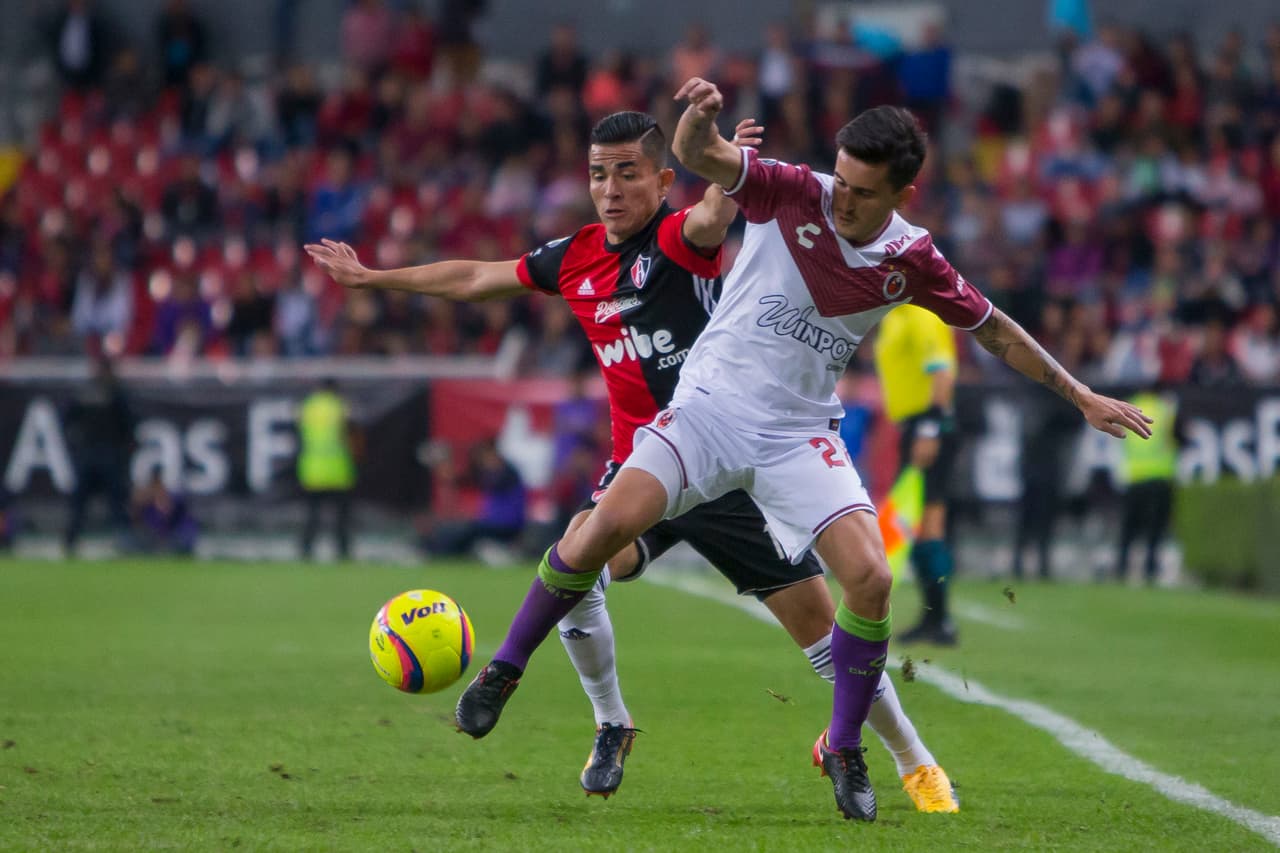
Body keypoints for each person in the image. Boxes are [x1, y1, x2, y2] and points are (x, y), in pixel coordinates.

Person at [448, 81, 1152, 823]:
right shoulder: (791, 190)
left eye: (862, 192)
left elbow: (996, 330)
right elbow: (698, 155)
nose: (841, 199)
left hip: (797, 434)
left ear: (902, 194)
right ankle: (505, 669)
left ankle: (843, 745)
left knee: (872, 579)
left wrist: (1080, 394)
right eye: (840, 179)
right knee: (598, 531)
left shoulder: (913, 258)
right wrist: (701, 120)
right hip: (709, 411)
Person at [305, 111, 959, 813]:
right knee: (578, 556)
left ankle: (912, 760)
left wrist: (729, 171)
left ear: (663, 180)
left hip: (732, 460)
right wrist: (374, 277)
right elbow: (474, 275)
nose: (611, 189)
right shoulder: (575, 256)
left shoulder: (682, 240)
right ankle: (611, 721)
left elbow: (712, 214)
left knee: (829, 643)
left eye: (627, 173)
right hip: (645, 467)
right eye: (598, 174)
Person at [873, 304, 961, 646]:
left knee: (926, 525)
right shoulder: (895, 315)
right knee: (918, 525)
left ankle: (940, 619)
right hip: (914, 427)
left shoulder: (921, 315)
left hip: (929, 426)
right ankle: (934, 618)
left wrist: (929, 429)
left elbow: (941, 371)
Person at [63, 356, 135, 554]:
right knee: (116, 501)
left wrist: (76, 443)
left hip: (88, 454)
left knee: (80, 502)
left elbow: (66, 420)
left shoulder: (85, 391)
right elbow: (129, 424)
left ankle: (71, 540)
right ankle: (123, 539)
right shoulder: (116, 393)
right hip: (108, 455)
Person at [1114, 384, 1180, 584]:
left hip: (1135, 475)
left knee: (1129, 527)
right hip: (1160, 475)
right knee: (1155, 528)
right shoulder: (1166, 409)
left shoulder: (1129, 406)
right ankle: (1150, 568)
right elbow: (1178, 436)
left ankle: (1121, 567)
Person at [296, 378, 357, 560]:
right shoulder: (340, 406)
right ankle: (343, 552)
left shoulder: (307, 406)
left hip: (312, 469)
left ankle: (306, 550)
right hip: (338, 469)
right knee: (341, 516)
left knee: (312, 515)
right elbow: (351, 434)